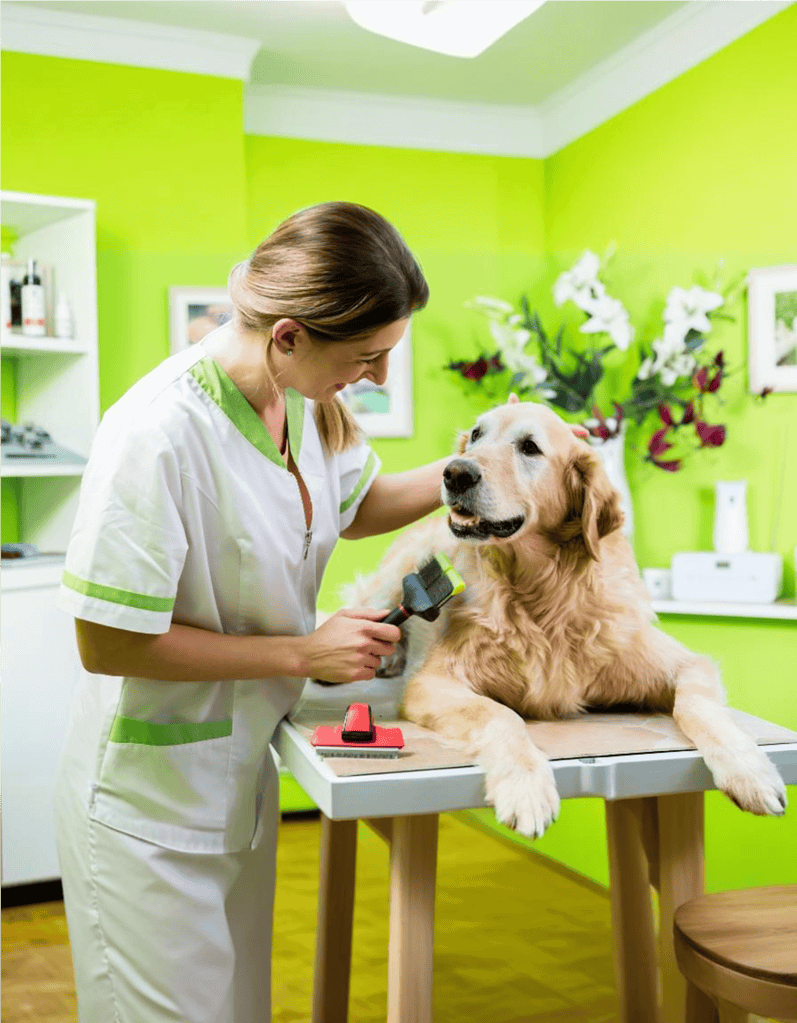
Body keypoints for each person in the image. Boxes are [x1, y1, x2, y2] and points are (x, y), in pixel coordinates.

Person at [54, 201, 450, 1023]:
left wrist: (475, 471)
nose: (375, 377)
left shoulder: (301, 406)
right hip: (146, 807)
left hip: (235, 781)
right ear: (289, 336)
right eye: (367, 356)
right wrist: (302, 653)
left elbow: (358, 501)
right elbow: (105, 641)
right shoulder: (157, 430)